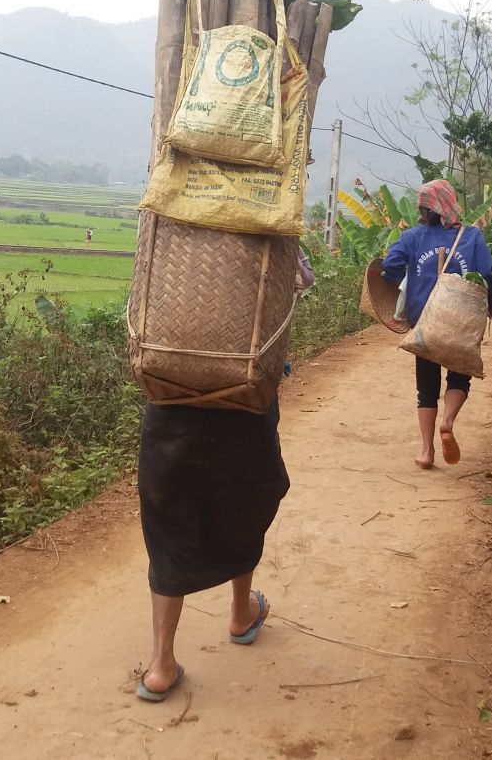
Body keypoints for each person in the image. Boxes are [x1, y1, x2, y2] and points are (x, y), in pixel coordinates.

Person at [133, 250, 304, 703]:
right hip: (244, 402)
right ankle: (240, 613)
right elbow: (296, 285)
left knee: (168, 525)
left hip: (170, 401)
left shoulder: (169, 228)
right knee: (243, 506)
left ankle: (161, 664)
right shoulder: (272, 230)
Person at [381, 179, 492, 470]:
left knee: (426, 387)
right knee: (459, 378)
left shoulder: (412, 237)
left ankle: (426, 452)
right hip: (461, 322)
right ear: (450, 205)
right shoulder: (471, 237)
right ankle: (448, 421)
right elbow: (488, 274)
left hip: (425, 321)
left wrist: (399, 281)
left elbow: (390, 267)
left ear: (425, 208)